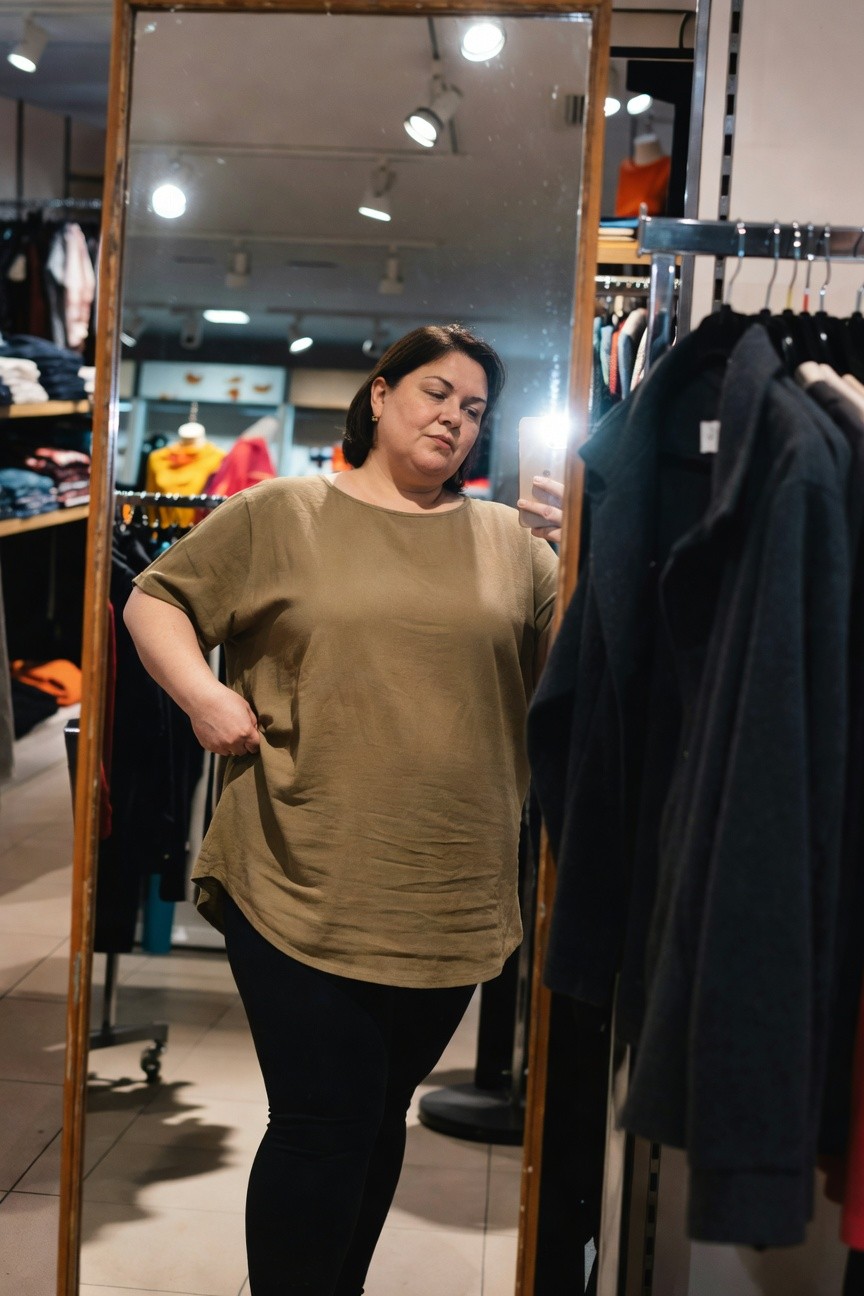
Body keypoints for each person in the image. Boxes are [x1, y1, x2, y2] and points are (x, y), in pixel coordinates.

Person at [124, 323, 564, 1295]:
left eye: (475, 408)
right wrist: (204, 696)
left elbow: (568, 675)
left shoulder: (507, 540)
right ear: (379, 394)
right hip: (297, 869)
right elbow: (154, 599)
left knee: (377, 1115)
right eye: (436, 393)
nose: (455, 417)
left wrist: (580, 553)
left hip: (449, 888)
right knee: (323, 1121)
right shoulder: (284, 512)